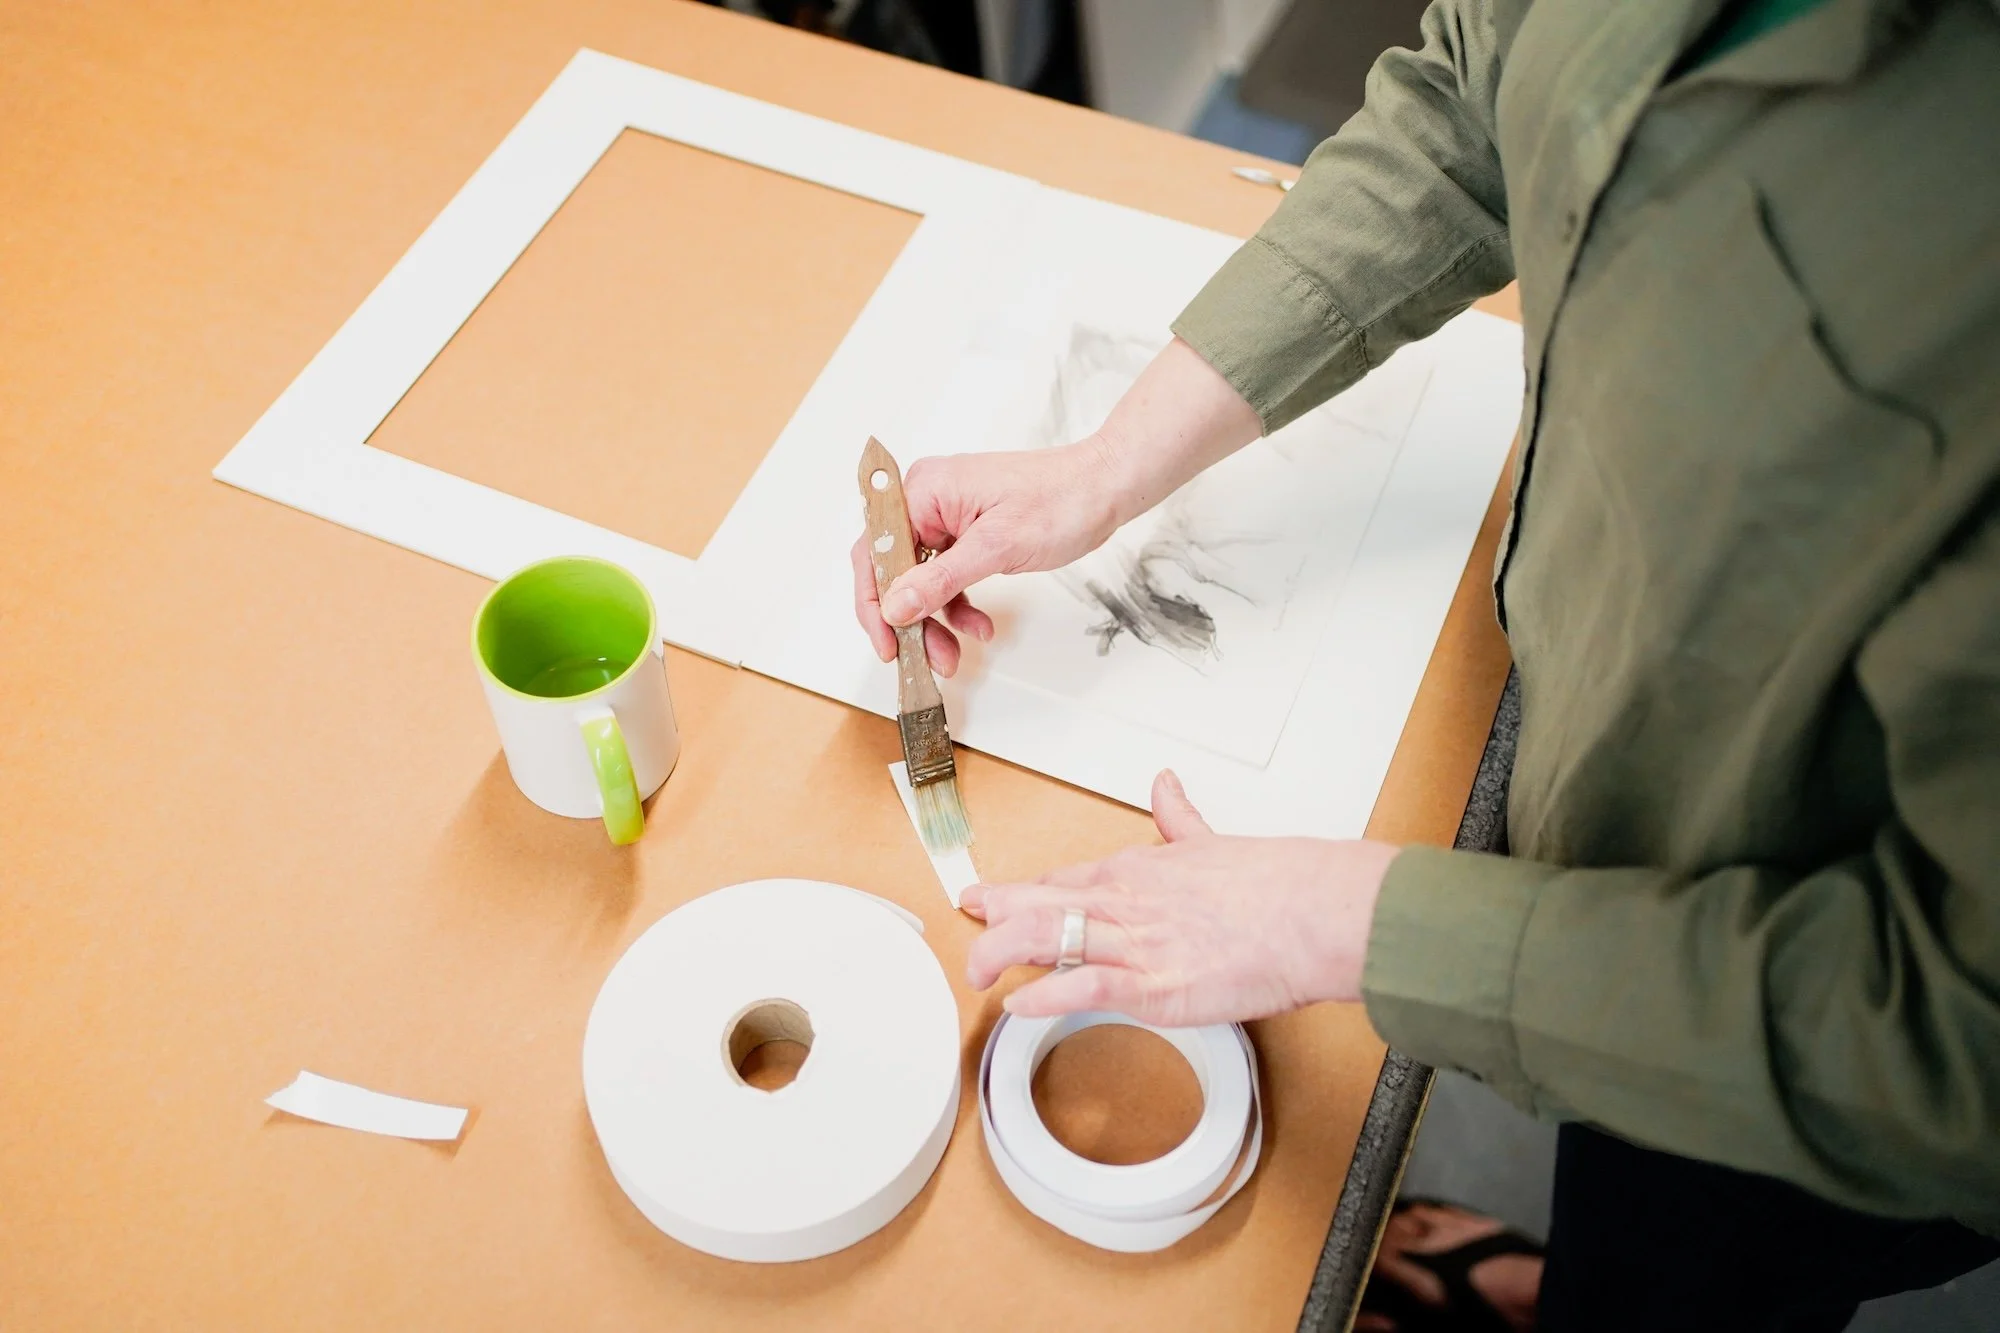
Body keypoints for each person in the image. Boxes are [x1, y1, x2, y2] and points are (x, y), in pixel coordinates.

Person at [851, 0, 1999, 1327]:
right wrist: (1105, 469)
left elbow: (1952, 1047)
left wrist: (1343, 924)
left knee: (1678, 1270)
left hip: (1771, 1044)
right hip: (1595, 791)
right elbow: (1476, 93)